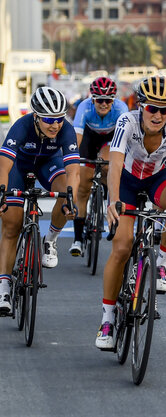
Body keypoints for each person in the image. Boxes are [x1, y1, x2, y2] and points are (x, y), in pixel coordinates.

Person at [96, 76, 166, 349]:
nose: (157, 115)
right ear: (141, 106)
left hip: (158, 178)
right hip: (127, 182)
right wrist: (114, 201)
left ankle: (161, 264)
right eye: (152, 108)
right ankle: (107, 319)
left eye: (165, 109)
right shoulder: (127, 122)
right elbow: (116, 164)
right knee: (121, 248)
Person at [0, 87, 79, 313]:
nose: (55, 125)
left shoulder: (66, 130)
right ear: (36, 116)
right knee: (12, 225)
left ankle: (50, 240)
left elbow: (73, 169)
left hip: (48, 165)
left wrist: (70, 198)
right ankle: (3, 287)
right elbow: (4, 163)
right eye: (48, 120)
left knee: (65, 193)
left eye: (59, 119)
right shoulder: (22, 126)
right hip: (19, 167)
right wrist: (2, 192)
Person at [70, 77, 129, 256]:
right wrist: (72, 159)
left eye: (108, 100)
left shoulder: (121, 109)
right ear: (92, 99)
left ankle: (106, 191)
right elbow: (77, 139)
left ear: (114, 100)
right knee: (82, 188)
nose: (103, 104)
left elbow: (123, 142)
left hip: (110, 140)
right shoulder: (84, 107)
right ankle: (78, 239)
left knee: (108, 163)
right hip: (89, 139)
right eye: (99, 100)